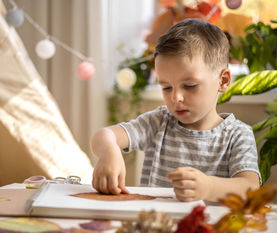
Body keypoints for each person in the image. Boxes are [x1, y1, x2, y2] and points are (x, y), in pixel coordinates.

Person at [90, 18, 260, 202]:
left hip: (213, 230)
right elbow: (104, 135)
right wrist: (109, 150)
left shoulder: (237, 135)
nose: (175, 97)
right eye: (166, 87)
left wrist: (208, 187)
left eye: (189, 85)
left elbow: (250, 187)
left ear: (223, 80)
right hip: (155, 227)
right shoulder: (158, 122)